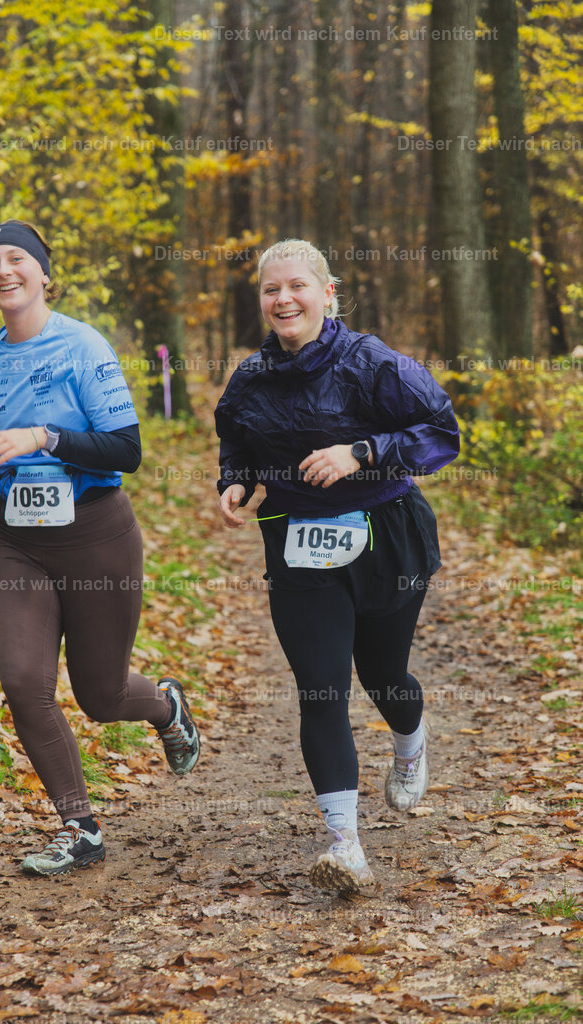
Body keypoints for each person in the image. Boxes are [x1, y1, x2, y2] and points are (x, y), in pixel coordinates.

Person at [0, 219, 200, 877]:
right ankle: (79, 826)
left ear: (42, 274)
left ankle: (166, 705)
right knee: (23, 682)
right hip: (20, 544)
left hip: (96, 536)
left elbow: (127, 450)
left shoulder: (83, 346)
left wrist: (43, 436)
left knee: (100, 695)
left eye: (15, 260)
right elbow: (7, 455)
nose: (2, 271)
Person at [215, 239, 459, 892]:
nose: (283, 299)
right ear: (262, 299)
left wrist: (361, 451)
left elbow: (442, 432)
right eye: (271, 289)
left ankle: (410, 743)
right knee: (321, 686)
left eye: (297, 286)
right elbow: (235, 436)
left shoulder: (373, 362)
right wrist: (235, 482)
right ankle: (345, 845)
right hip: (298, 540)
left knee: (384, 677)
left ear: (327, 293)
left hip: (386, 533)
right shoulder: (251, 378)